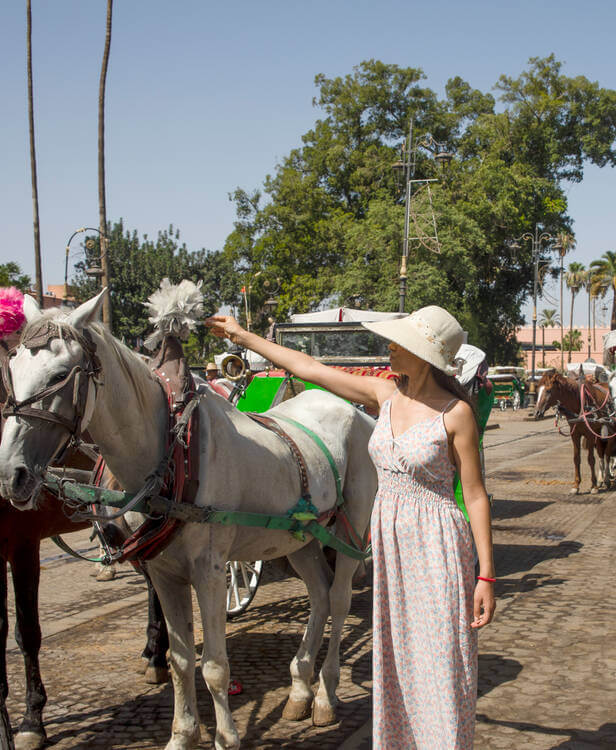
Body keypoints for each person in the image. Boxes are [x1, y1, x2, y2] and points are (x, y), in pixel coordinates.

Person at [206, 305, 495, 749]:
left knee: (441, 659)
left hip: (437, 544)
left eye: (400, 343)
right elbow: (309, 368)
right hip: (392, 548)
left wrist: (485, 575)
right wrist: (243, 338)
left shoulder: (456, 413)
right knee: (398, 656)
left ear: (424, 354)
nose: (390, 348)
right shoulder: (384, 395)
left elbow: (474, 495)